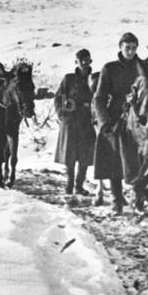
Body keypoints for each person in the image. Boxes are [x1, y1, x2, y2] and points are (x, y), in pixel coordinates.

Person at [94, 31, 141, 214]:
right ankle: (116, 201)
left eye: (134, 48)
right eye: (127, 47)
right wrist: (104, 121)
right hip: (116, 117)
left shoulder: (142, 67)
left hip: (139, 118)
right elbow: (99, 98)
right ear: (120, 48)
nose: (130, 51)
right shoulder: (110, 68)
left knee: (140, 160)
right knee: (115, 161)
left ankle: (138, 199)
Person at [54, 48, 96, 195]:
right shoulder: (69, 79)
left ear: (91, 61)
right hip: (70, 122)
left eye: (87, 59)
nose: (84, 63)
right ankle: (69, 184)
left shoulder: (95, 78)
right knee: (69, 156)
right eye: (81, 60)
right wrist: (61, 113)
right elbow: (59, 97)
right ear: (76, 62)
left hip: (87, 122)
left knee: (85, 156)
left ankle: (79, 185)